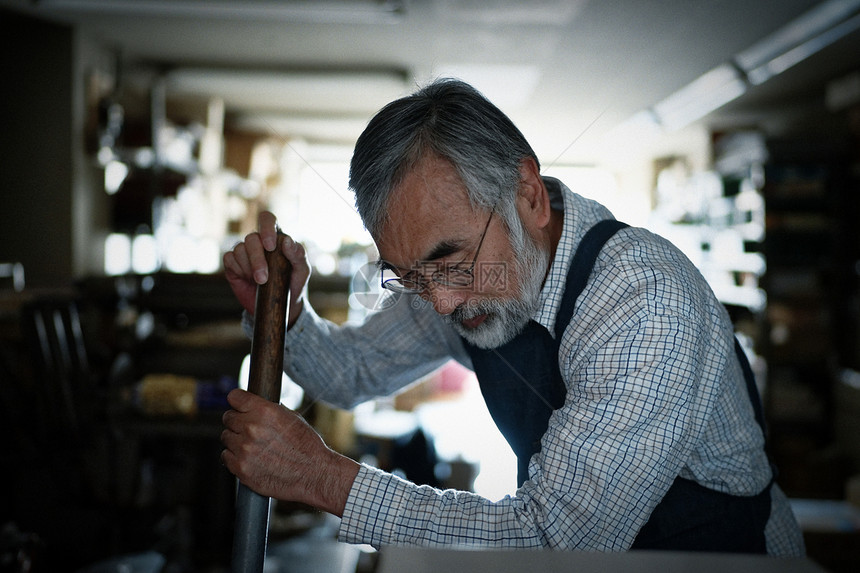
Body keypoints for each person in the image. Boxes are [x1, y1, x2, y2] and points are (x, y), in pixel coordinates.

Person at [220, 78, 804, 554]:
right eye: (411, 276)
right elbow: (354, 371)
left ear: (528, 194)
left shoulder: (643, 302)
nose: (442, 303)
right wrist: (285, 312)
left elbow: (553, 541)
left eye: (448, 260)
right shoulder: (461, 286)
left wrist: (324, 478)